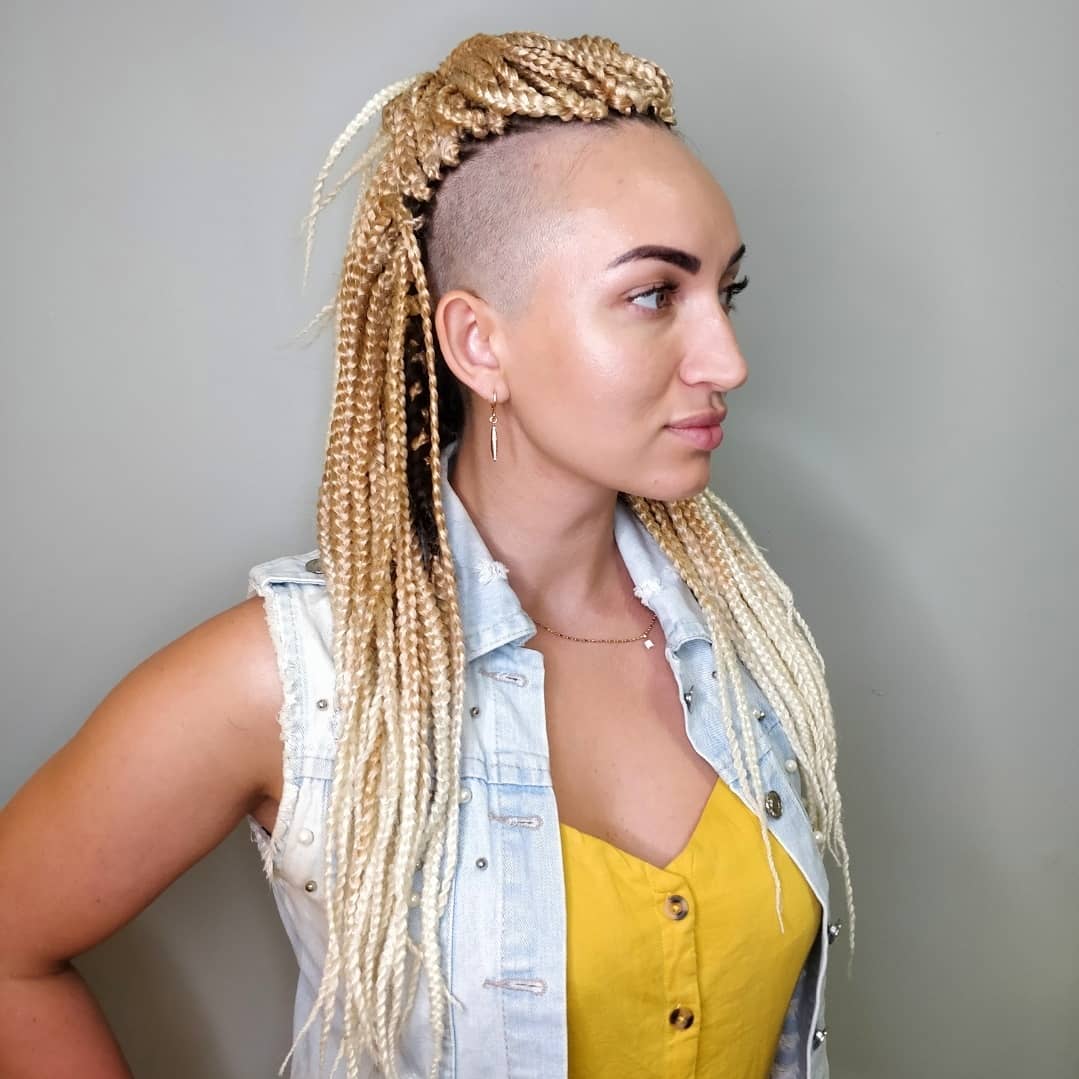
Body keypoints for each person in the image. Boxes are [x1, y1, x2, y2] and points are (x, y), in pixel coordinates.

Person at [0, 29, 854, 1079]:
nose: (725, 358)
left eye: (723, 292)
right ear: (477, 343)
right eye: (650, 294)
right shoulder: (301, 678)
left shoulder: (742, 638)